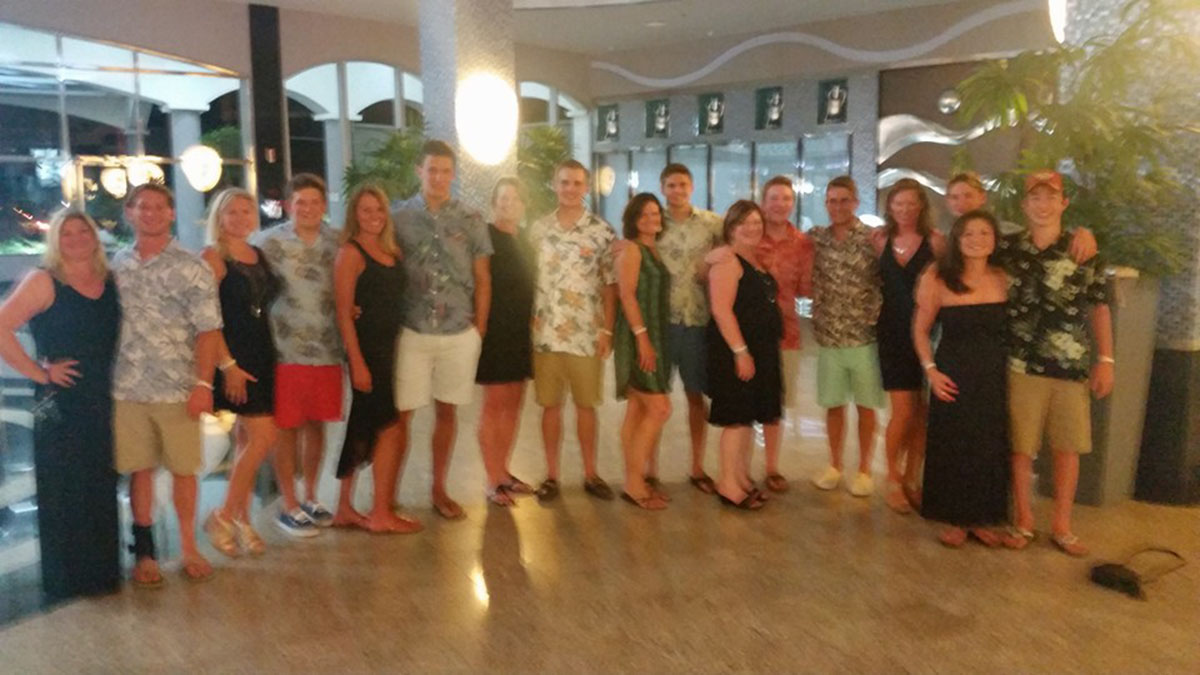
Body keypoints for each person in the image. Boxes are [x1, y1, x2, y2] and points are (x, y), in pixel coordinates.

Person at [0, 209, 121, 602]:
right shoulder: (43, 280)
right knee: (63, 489)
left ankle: (101, 575)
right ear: (55, 239)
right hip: (60, 403)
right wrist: (39, 373)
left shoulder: (109, 280)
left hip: (101, 398)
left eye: (83, 230)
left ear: (94, 236)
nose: (75, 238)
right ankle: (67, 581)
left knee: (99, 484)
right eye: (66, 233)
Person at [111, 183, 222, 585]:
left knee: (183, 471)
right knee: (138, 470)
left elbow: (208, 330)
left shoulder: (193, 266)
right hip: (127, 386)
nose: (151, 213)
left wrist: (203, 384)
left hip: (178, 386)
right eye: (143, 206)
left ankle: (189, 546)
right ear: (130, 213)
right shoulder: (117, 264)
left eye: (159, 207)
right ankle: (145, 552)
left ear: (171, 214)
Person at [1001, 170, 1114, 557]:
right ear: (1024, 204)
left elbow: (1099, 307)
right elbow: (967, 250)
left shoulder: (1083, 250)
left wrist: (1106, 360)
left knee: (1068, 447)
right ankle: (1024, 520)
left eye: (1051, 197)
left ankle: (1062, 526)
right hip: (1021, 364)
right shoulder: (1008, 248)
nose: (1043, 205)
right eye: (1035, 197)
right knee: (1021, 446)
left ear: (1063, 203)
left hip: (1071, 366)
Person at [392, 140, 492, 520]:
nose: (438, 177)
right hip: (412, 329)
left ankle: (438, 489)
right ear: (419, 171)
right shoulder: (398, 217)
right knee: (401, 416)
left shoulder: (471, 218)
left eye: (445, 171)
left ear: (453, 174)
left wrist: (479, 328)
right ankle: (389, 494)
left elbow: (483, 278)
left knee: (447, 413)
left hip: (457, 331)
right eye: (432, 169)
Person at [912, 211, 1011, 547]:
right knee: (955, 444)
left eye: (984, 233)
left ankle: (981, 519)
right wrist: (931, 371)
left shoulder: (1003, 277)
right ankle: (955, 519)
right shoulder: (938, 277)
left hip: (994, 374)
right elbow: (920, 330)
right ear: (956, 240)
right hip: (952, 372)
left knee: (988, 446)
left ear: (994, 240)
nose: (976, 240)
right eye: (968, 234)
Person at [255, 173, 343, 537]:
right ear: (288, 205)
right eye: (300, 202)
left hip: (328, 348)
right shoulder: (268, 242)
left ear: (324, 205)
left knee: (317, 425)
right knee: (287, 427)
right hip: (284, 350)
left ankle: (311, 496)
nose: (307, 209)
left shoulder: (338, 241)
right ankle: (288, 502)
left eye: (314, 202)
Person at [527, 159, 618, 502]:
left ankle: (590, 473)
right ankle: (551, 475)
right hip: (546, 333)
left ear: (586, 187)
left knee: (586, 406)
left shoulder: (601, 231)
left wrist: (607, 331)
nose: (570, 189)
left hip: (586, 334)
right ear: (555, 184)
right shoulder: (538, 230)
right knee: (550, 407)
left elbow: (609, 285)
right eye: (564, 182)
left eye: (577, 183)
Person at [332, 185, 419, 533]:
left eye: (379, 209)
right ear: (355, 215)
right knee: (388, 426)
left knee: (362, 424)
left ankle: (343, 508)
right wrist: (357, 362)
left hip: (389, 347)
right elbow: (343, 313)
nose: (374, 216)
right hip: (366, 350)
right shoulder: (350, 253)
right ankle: (381, 513)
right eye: (366, 210)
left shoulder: (391, 251)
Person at [200, 189, 281, 557]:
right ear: (219, 217)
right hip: (233, 356)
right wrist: (228, 365)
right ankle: (222, 515)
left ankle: (241, 519)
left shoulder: (257, 253)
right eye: (231, 211)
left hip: (262, 351)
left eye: (247, 210)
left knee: (248, 440)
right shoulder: (213, 257)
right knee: (264, 436)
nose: (240, 217)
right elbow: (208, 319)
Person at [807, 177, 886, 498]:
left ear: (855, 202)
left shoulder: (872, 238)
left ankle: (865, 469)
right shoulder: (817, 238)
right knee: (833, 404)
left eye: (844, 200)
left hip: (864, 336)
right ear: (826, 204)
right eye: (832, 201)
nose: (837, 207)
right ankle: (835, 465)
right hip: (829, 336)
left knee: (866, 406)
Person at [871, 178, 944, 513]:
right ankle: (893, 478)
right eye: (898, 203)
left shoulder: (936, 242)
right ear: (889, 207)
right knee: (902, 411)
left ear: (922, 206)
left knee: (922, 413)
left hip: (928, 334)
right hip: (891, 333)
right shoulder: (879, 239)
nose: (904, 209)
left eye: (911, 203)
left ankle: (913, 477)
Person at [706, 200, 782, 510]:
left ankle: (740, 477)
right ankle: (727, 483)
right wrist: (741, 352)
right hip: (737, 351)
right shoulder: (727, 260)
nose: (752, 228)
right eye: (744, 223)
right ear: (731, 228)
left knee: (747, 417)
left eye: (756, 222)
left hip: (760, 350)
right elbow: (721, 310)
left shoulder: (754, 259)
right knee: (736, 419)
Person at [656, 164, 723, 493]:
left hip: (697, 321)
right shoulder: (653, 222)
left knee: (695, 396)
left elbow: (737, 242)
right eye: (671, 185)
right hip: (662, 322)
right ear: (663, 188)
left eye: (682, 184)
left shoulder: (711, 223)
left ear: (692, 187)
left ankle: (697, 467)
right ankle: (649, 469)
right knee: (655, 399)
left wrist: (713, 263)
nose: (677, 191)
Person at [475, 178, 536, 507]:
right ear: (493, 202)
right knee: (494, 405)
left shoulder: (526, 239)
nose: (508, 203)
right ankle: (491, 479)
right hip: (495, 330)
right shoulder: (485, 236)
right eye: (502, 198)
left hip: (521, 331)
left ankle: (503, 471)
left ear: (524, 204)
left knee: (514, 403)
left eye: (514, 198)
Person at [755, 176, 813, 493]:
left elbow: (805, 288)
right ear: (763, 202)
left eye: (786, 199)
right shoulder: (750, 236)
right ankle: (736, 469)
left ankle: (771, 467)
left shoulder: (802, 243)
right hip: (750, 332)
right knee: (746, 400)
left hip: (786, 331)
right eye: (774, 198)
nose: (780, 204)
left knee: (776, 402)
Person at [614, 193, 672, 510]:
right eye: (644, 215)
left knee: (637, 410)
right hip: (639, 335)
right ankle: (634, 484)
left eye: (655, 213)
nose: (652, 219)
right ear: (634, 221)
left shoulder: (653, 250)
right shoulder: (633, 250)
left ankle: (634, 480)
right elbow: (626, 294)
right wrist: (642, 338)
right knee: (660, 408)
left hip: (656, 334)